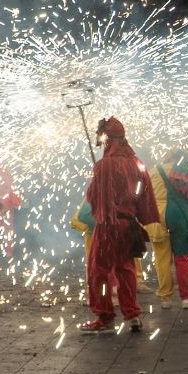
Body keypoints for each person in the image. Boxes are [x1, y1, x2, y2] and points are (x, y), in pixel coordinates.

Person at [80, 117, 159, 332]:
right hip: (128, 225)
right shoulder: (136, 163)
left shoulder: (104, 165)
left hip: (108, 225)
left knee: (100, 271)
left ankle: (104, 317)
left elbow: (93, 198)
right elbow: (143, 196)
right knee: (126, 270)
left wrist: (96, 177)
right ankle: (132, 314)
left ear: (107, 140)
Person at [150, 149, 188, 309]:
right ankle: (186, 298)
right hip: (177, 213)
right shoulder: (181, 171)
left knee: (161, 257)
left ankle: (166, 298)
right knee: (181, 257)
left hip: (155, 215)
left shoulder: (152, 171)